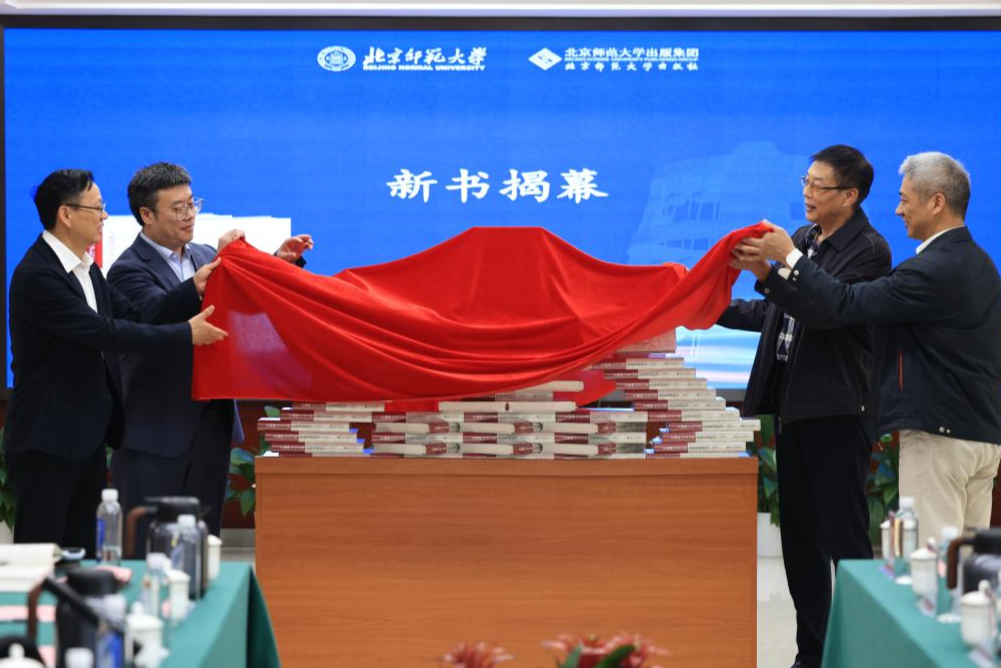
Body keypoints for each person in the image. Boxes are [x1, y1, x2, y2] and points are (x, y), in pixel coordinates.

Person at [736, 151, 1001, 550]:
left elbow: (845, 304)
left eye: (905, 200)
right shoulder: (981, 263)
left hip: (939, 437)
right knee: (967, 568)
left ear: (937, 202)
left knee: (931, 564)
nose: (898, 210)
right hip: (981, 434)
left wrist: (788, 257)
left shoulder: (929, 270)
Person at [717, 145, 891, 668]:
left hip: (837, 412)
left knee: (845, 541)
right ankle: (811, 653)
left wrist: (782, 264)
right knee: (799, 540)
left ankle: (864, 653)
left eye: (820, 186)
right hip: (794, 409)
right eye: (806, 182)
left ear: (850, 195)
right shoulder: (806, 238)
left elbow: (828, 310)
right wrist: (713, 305)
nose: (808, 193)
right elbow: (777, 313)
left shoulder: (869, 250)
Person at [3, 169, 227, 555]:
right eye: (97, 208)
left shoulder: (86, 268)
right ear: (66, 214)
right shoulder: (38, 275)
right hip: (46, 440)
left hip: (86, 436)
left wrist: (194, 288)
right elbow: (105, 332)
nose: (105, 216)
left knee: (84, 557)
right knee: (40, 556)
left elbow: (138, 315)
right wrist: (185, 334)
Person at [107, 162, 313, 537]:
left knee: (204, 542)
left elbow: (243, 302)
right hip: (155, 431)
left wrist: (278, 262)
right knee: (148, 545)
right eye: (178, 208)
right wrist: (200, 285)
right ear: (147, 215)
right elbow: (153, 315)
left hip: (210, 427)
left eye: (192, 203)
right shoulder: (127, 269)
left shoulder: (203, 256)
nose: (190, 215)